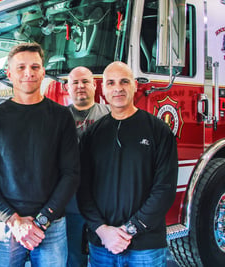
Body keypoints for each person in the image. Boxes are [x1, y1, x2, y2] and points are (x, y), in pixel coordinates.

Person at [0, 42, 80, 267]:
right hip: (6, 224)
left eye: (35, 67)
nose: (28, 73)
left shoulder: (61, 117)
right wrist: (13, 220)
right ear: (9, 74)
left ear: (43, 72)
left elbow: (71, 173)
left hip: (51, 225)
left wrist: (43, 219)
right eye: (21, 67)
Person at [77, 61, 178, 267]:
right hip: (102, 244)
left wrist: (130, 229)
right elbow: (83, 189)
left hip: (145, 246)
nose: (118, 88)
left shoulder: (159, 131)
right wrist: (102, 230)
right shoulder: (92, 135)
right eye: (111, 83)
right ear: (103, 90)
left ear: (134, 86)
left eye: (124, 81)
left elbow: (164, 189)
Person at [65, 66, 110, 267]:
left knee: (104, 257)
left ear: (94, 85)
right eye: (75, 82)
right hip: (70, 206)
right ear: (68, 88)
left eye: (85, 81)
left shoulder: (109, 115)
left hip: (104, 206)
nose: (80, 86)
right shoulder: (59, 118)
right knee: (74, 259)